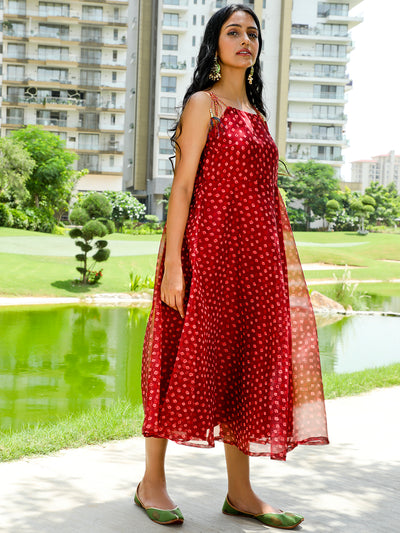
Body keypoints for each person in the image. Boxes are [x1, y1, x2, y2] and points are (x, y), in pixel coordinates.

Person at [135, 4, 329, 529]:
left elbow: (265, 197)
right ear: (215, 43)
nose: (245, 40)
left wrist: (275, 271)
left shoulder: (259, 116)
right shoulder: (205, 104)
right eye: (233, 32)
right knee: (177, 358)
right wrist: (174, 263)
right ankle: (151, 481)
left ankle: (240, 492)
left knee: (244, 366)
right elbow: (182, 187)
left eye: (253, 33)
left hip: (255, 264)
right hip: (205, 254)